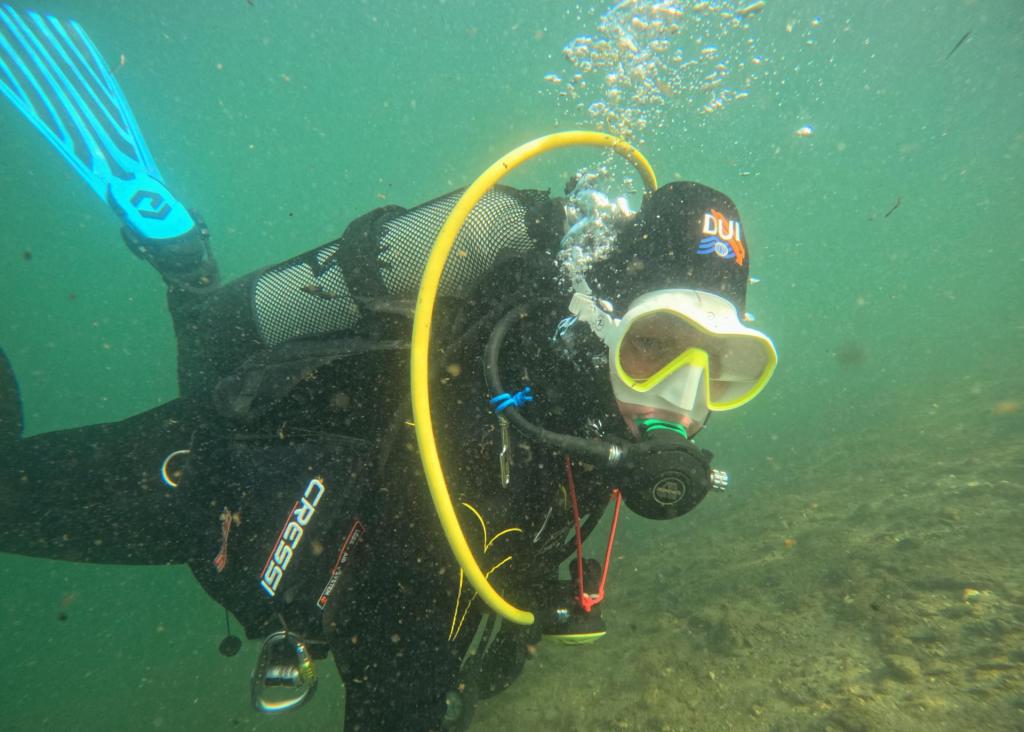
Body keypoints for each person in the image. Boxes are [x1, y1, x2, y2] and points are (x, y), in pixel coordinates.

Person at [0, 6, 777, 731]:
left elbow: (501, 549)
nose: (679, 401)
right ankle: (190, 278)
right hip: (222, 470)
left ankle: (191, 281)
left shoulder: (591, 425)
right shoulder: (502, 410)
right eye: (653, 345)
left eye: (721, 367)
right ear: (598, 324)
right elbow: (409, 626)